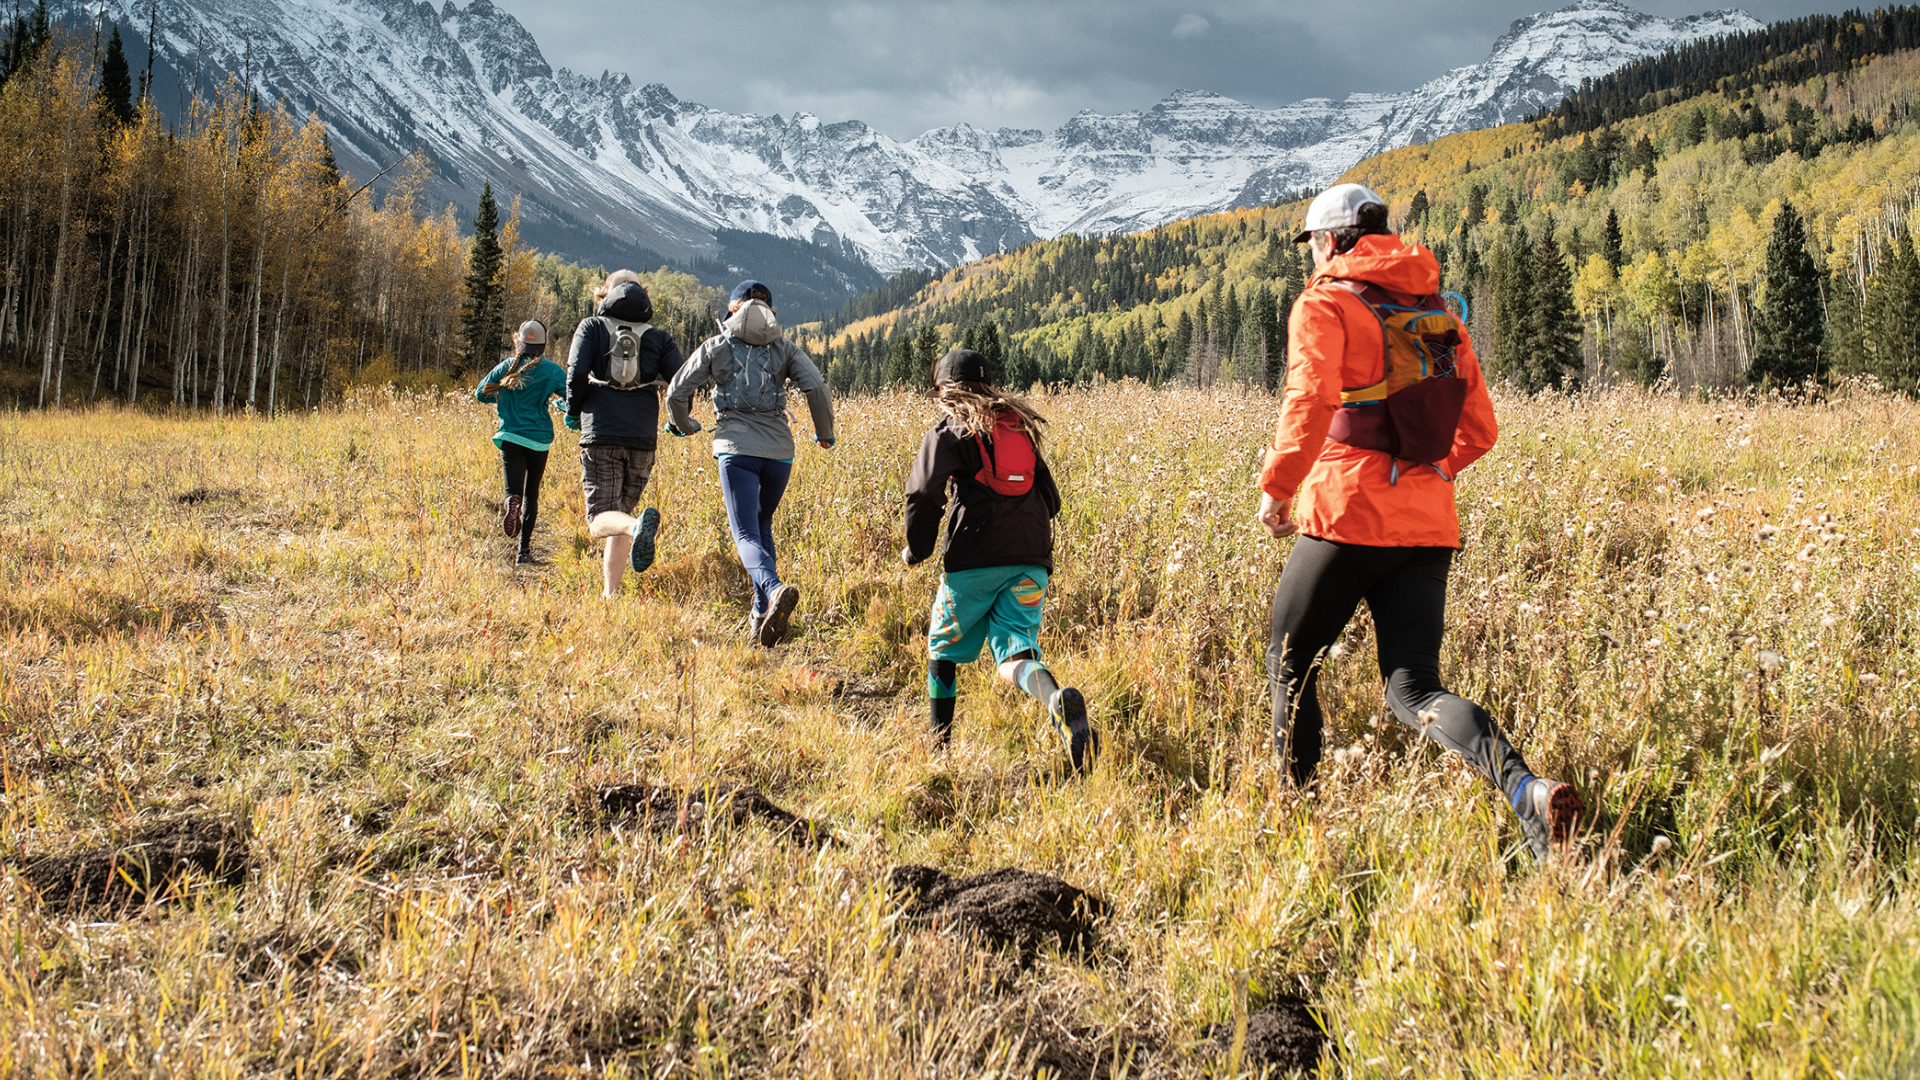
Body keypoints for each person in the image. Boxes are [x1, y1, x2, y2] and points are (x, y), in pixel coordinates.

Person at [1257, 182, 1581, 860]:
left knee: (1290, 663)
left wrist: (1279, 489)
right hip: (1428, 524)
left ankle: (1298, 833)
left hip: (1348, 514)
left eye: (1313, 244)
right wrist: (1423, 473)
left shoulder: (1325, 301)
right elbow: (1481, 430)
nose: (1311, 255)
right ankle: (1527, 791)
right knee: (1414, 688)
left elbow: (1310, 401)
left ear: (1331, 240)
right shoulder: (1438, 312)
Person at [901, 347, 1095, 772]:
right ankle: (1055, 700)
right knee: (1015, 656)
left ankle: (939, 748)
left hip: (974, 560)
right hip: (1031, 559)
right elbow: (1052, 500)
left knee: (942, 649)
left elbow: (921, 492)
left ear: (946, 389)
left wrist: (917, 549)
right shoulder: (1016, 425)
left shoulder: (951, 428)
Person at [666, 280, 836, 646]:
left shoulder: (717, 345)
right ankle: (761, 615)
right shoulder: (785, 348)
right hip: (779, 454)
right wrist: (824, 432)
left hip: (736, 449)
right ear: (771, 313)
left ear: (733, 310)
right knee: (761, 525)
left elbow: (677, 391)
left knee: (745, 534)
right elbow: (817, 388)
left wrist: (685, 424)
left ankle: (773, 589)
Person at [564, 270, 685, 598]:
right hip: (643, 437)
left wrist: (573, 411)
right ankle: (610, 594)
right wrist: (678, 421)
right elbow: (681, 383)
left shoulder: (591, 327)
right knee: (619, 515)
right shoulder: (659, 337)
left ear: (605, 294)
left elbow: (576, 373)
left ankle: (636, 527)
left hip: (601, 433)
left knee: (601, 521)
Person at [475, 320, 566, 565]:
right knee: (531, 495)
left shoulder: (505, 367)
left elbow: (480, 393)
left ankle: (510, 503)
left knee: (513, 492)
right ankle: (523, 553)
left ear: (519, 342)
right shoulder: (552, 371)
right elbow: (573, 395)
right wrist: (561, 405)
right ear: (543, 345)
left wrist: (502, 399)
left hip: (511, 438)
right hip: (538, 441)